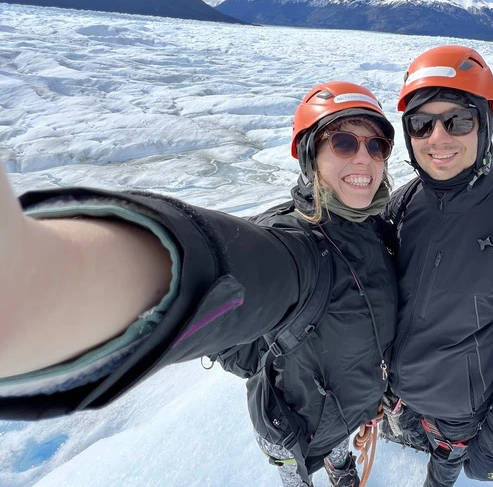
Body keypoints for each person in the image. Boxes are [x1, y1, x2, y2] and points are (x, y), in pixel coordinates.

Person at [0, 82, 399, 487]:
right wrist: (52, 274)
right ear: (310, 155)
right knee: (294, 473)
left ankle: (339, 464)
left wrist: (374, 395)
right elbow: (226, 265)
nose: (363, 158)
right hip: (293, 426)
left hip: (351, 409)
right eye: (344, 142)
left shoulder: (377, 231)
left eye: (376, 145)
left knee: (338, 447)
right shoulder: (302, 250)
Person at [380, 45, 493, 486]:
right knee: (408, 435)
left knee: (442, 470)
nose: (437, 138)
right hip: (395, 395)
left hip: (457, 416)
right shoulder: (404, 204)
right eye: (421, 124)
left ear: (485, 124)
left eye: (458, 120)